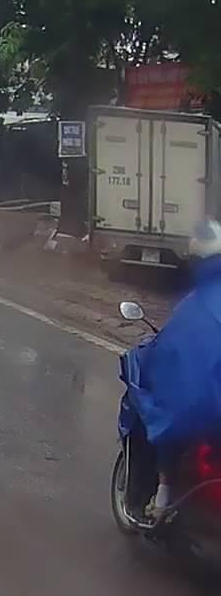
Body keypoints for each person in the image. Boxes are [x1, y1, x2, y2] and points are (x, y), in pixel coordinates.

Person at [124, 219, 221, 520]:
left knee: (162, 415)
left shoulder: (195, 306)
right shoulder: (197, 304)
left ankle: (163, 494)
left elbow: (168, 354)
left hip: (205, 411)